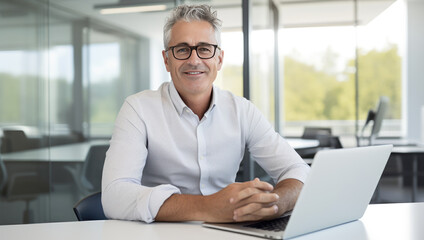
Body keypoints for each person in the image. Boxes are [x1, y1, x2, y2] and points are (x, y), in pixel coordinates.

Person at [102, 4, 310, 224]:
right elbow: (115, 196)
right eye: (182, 49)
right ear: (167, 60)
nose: (194, 60)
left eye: (204, 49)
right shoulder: (138, 109)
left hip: (228, 232)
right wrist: (208, 207)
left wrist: (275, 204)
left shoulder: (242, 110)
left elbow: (298, 169)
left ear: (218, 59)